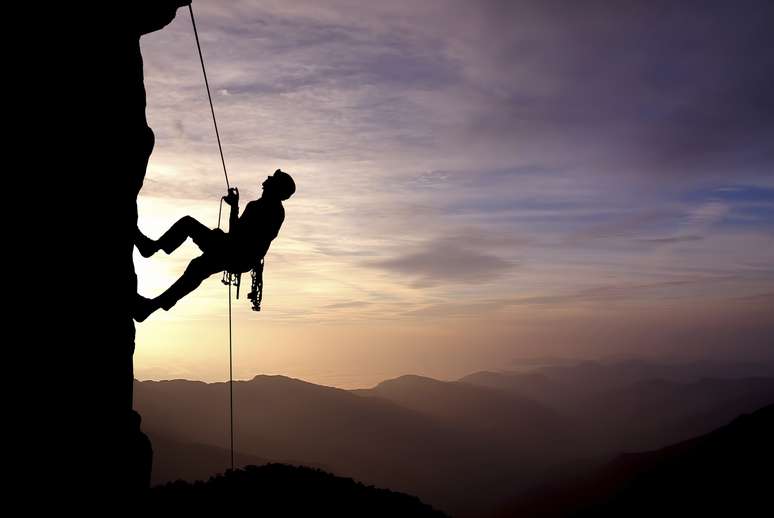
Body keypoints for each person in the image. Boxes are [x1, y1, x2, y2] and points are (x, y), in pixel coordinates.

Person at [134, 169, 295, 321]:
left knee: (190, 233)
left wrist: (234, 208)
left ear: (276, 188)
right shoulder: (261, 207)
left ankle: (151, 252)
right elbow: (237, 233)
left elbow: (239, 235)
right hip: (236, 253)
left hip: (237, 254)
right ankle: (149, 307)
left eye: (272, 179)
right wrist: (234, 208)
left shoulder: (270, 210)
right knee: (196, 265)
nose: (267, 178)